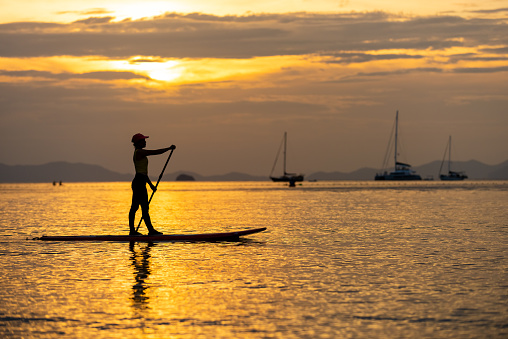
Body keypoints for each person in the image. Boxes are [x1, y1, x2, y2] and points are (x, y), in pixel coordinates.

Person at [129, 133, 176, 236]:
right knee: (136, 207)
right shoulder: (139, 152)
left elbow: (143, 174)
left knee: (142, 208)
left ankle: (147, 231)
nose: (145, 142)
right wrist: (168, 149)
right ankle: (135, 231)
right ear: (138, 143)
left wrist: (150, 185)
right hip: (138, 183)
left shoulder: (140, 152)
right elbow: (154, 152)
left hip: (141, 182)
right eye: (143, 140)